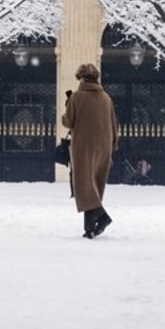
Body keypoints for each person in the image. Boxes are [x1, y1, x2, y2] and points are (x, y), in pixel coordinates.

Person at [61, 63, 118, 238]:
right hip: (104, 145)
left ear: (81, 77)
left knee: (84, 185)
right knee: (95, 184)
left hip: (84, 146)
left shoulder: (77, 97)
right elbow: (113, 124)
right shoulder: (106, 98)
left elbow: (68, 122)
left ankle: (103, 217)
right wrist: (113, 145)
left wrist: (67, 107)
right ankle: (90, 229)